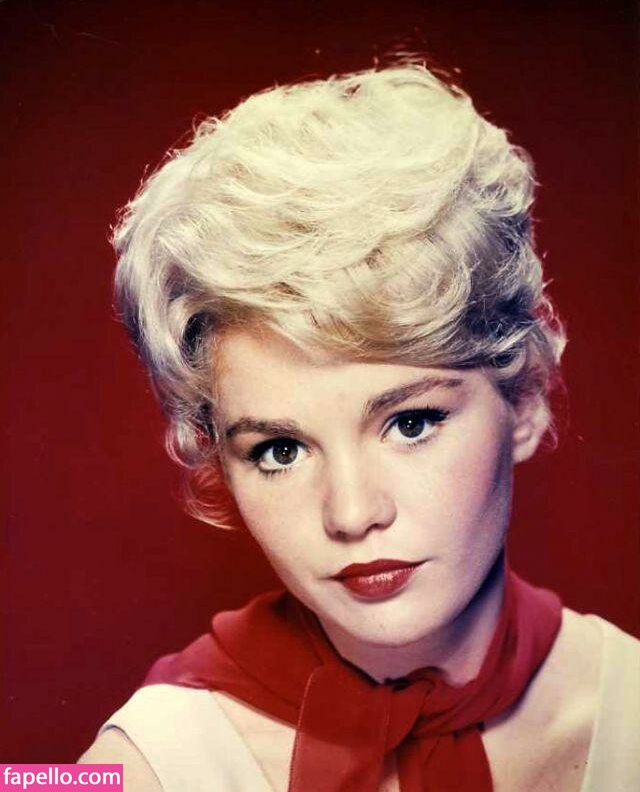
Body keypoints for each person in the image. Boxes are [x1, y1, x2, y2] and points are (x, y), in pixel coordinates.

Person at [79, 61, 639, 791]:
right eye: (280, 449)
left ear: (526, 398)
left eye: (410, 422)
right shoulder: (144, 766)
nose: (351, 513)